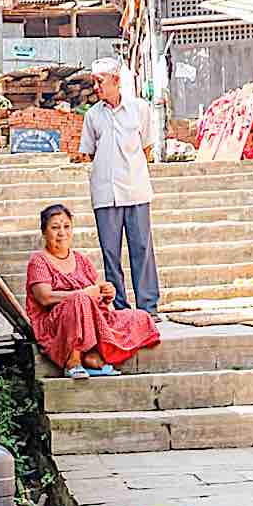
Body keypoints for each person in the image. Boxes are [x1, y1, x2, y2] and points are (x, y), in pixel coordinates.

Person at [26, 203, 160, 377]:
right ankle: (73, 361)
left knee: (139, 317)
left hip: (91, 319)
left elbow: (96, 292)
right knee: (80, 300)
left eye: (67, 227)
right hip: (58, 324)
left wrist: (106, 292)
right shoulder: (39, 261)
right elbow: (44, 297)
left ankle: (91, 355)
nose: (62, 233)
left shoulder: (81, 260)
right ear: (44, 232)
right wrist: (81, 295)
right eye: (55, 228)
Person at [78, 55, 161, 320]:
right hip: (104, 194)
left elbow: (146, 148)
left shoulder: (140, 109)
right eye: (94, 82)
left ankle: (148, 307)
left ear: (116, 81)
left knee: (142, 250)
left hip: (136, 190)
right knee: (110, 254)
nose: (96, 87)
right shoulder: (92, 116)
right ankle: (121, 308)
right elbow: (89, 153)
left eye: (100, 81)